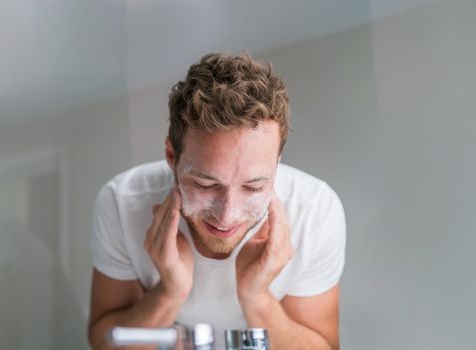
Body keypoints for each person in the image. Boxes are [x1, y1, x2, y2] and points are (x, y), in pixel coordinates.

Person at [87, 52, 346, 350]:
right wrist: (170, 291)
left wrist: (257, 298)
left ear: (277, 162)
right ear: (171, 156)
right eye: (205, 185)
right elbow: (104, 344)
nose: (227, 216)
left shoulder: (314, 211)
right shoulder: (123, 203)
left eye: (253, 187)